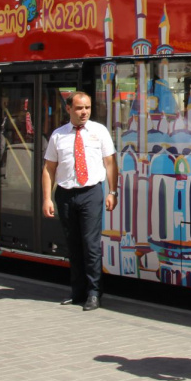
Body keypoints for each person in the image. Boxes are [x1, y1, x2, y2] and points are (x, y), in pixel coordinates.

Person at [42, 91, 117, 311]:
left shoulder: (99, 131)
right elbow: (49, 168)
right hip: (66, 194)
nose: (84, 112)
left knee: (91, 245)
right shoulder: (58, 135)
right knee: (73, 245)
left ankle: (94, 293)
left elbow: (110, 163)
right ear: (68, 109)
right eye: (79, 108)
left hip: (91, 192)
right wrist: (47, 198)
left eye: (87, 108)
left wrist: (113, 191)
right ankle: (77, 292)